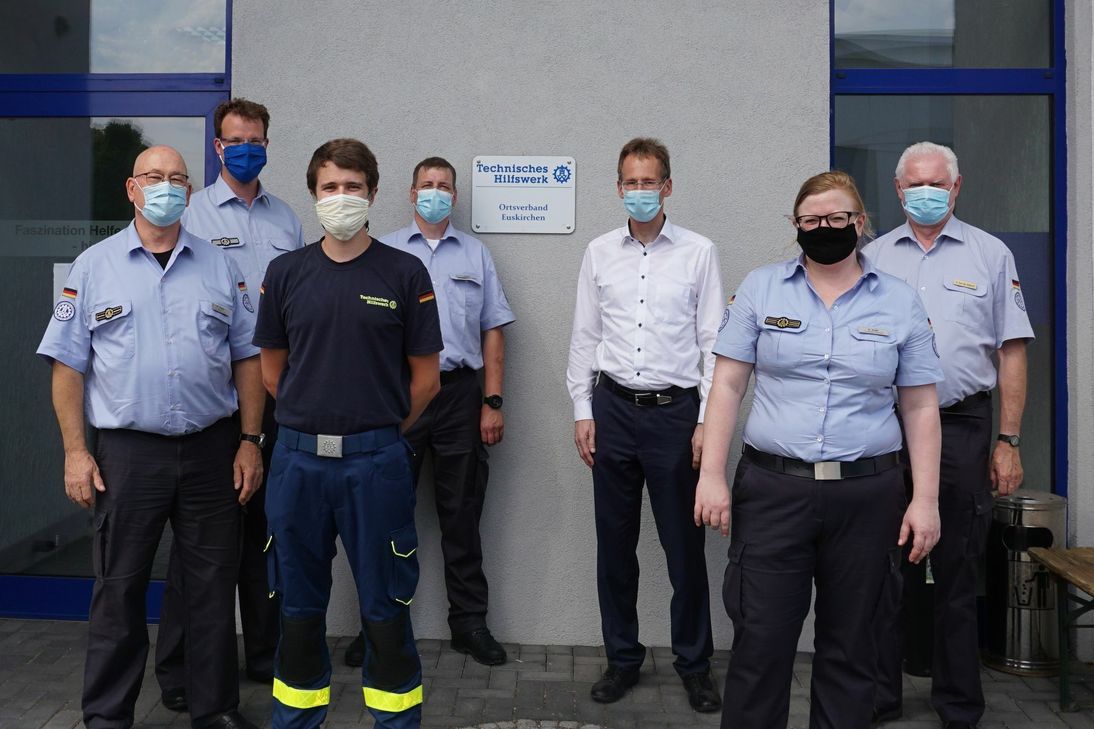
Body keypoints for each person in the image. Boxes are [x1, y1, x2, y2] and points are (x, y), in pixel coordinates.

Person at [695, 170, 944, 729]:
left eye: (837, 218)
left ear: (860, 223)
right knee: (760, 643)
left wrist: (924, 499)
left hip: (867, 496)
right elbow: (728, 385)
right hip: (774, 492)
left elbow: (921, 407)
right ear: (796, 226)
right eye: (811, 220)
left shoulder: (899, 301)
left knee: (853, 647)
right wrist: (711, 474)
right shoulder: (761, 289)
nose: (825, 228)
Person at [37, 145, 264, 729]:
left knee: (212, 590)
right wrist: (75, 452)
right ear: (132, 190)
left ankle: (213, 708)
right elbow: (67, 367)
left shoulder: (220, 266)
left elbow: (247, 359)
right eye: (154, 177)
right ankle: (108, 715)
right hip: (128, 456)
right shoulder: (94, 266)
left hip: (213, 448)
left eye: (177, 179)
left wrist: (249, 440)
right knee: (119, 588)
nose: (166, 187)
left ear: (189, 192)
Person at [254, 138, 442, 729]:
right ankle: (297, 721)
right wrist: (316, 414)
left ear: (373, 192)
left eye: (353, 186)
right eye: (330, 187)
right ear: (314, 195)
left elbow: (427, 379)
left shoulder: (405, 272)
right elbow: (271, 370)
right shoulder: (285, 273)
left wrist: (374, 426)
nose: (342, 197)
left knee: (386, 609)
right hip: (298, 465)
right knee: (300, 611)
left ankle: (395, 722)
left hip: (376, 463)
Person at [864, 142, 1034, 729]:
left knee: (959, 564)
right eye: (914, 184)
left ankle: (959, 704)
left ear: (956, 188)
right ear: (897, 188)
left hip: (962, 423)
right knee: (882, 564)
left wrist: (1007, 440)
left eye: (936, 183)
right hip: (885, 427)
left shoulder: (990, 255)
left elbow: (1011, 351)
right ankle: (881, 695)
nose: (925, 193)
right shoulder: (874, 257)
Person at [566, 137, 723, 713]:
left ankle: (695, 665)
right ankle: (622, 660)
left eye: (648, 181)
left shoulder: (700, 253)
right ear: (618, 188)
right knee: (616, 546)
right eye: (629, 182)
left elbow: (713, 344)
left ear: (668, 186)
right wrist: (583, 409)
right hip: (612, 411)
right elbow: (585, 336)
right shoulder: (599, 253)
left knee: (684, 549)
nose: (639, 191)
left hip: (675, 417)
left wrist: (706, 422)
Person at [156, 98, 304, 710]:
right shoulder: (187, 213)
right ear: (218, 147)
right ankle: (178, 669)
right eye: (236, 140)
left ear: (268, 143)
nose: (248, 148)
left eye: (257, 139)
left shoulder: (287, 219)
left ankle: (263, 656)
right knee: (204, 542)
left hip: (277, 396)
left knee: (266, 533)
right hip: (215, 402)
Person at [343, 156, 515, 669]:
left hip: (461, 397)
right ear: (411, 192)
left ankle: (469, 624)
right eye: (427, 185)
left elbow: (493, 330)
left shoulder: (476, 254)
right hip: (398, 397)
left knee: (461, 515)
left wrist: (492, 400)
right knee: (384, 516)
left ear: (454, 195)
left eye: (444, 186)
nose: (435, 192)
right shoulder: (385, 251)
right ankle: (376, 626)